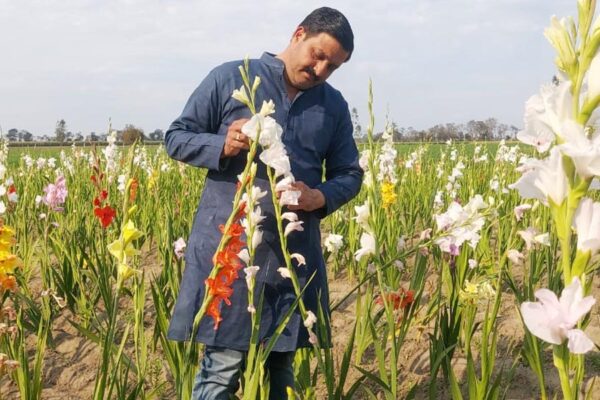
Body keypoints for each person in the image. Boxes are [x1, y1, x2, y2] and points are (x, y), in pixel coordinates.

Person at [164, 7, 363, 400]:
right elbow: (176, 137)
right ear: (298, 34)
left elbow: (350, 174)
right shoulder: (230, 77)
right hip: (233, 250)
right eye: (318, 55)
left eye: (333, 66)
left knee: (281, 372)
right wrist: (223, 144)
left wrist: (318, 196)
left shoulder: (333, 106)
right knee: (222, 369)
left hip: (291, 256)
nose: (321, 70)